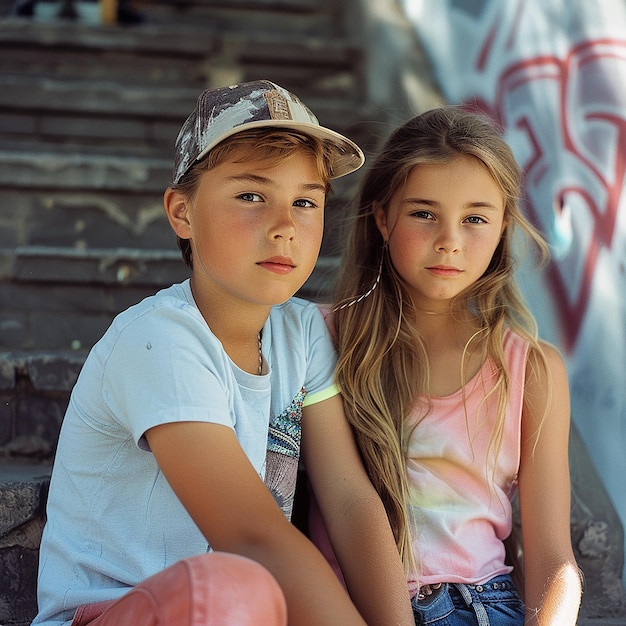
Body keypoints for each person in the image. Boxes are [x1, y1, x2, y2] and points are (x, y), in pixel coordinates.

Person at [32, 80, 414, 626]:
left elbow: (350, 499)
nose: (285, 226)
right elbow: (250, 535)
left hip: (243, 607)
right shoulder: (158, 340)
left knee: (256, 592)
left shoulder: (302, 331)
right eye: (252, 195)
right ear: (182, 213)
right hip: (115, 613)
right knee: (238, 588)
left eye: (305, 201)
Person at [309, 106, 582, 625]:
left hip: (483, 606)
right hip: (350, 608)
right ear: (383, 218)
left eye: (475, 217)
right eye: (424, 213)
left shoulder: (530, 369)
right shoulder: (322, 340)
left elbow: (554, 560)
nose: (450, 239)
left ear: (504, 225)